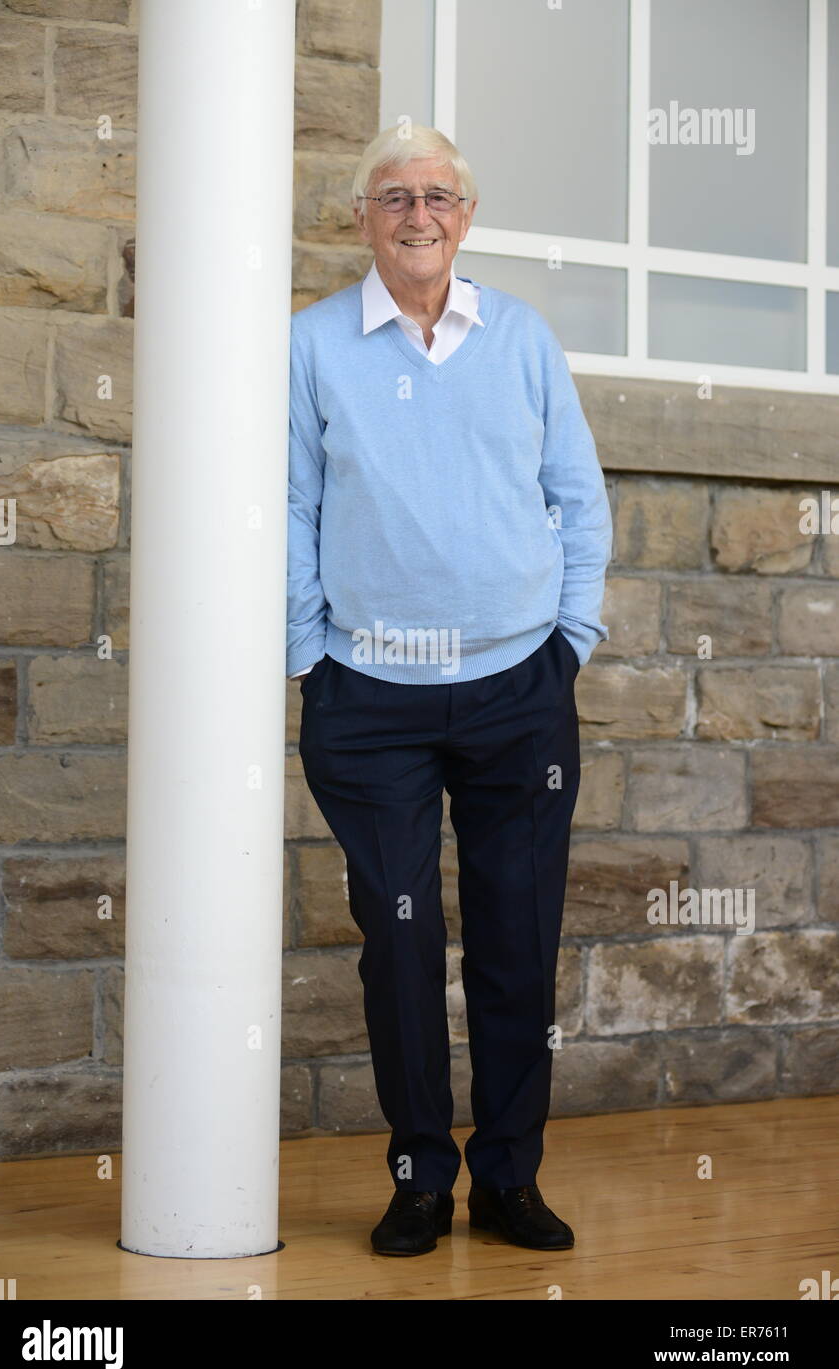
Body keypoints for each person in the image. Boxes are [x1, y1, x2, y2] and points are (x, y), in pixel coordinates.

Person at [287, 124, 612, 1257]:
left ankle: (509, 1178)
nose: (416, 214)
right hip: (369, 696)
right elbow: (284, 503)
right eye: (393, 197)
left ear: (465, 216)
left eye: (437, 195)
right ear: (364, 217)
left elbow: (577, 493)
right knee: (403, 938)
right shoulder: (312, 345)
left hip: (520, 689)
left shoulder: (521, 338)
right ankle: (421, 1175)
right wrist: (306, 656)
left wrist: (569, 638)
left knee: (518, 940)